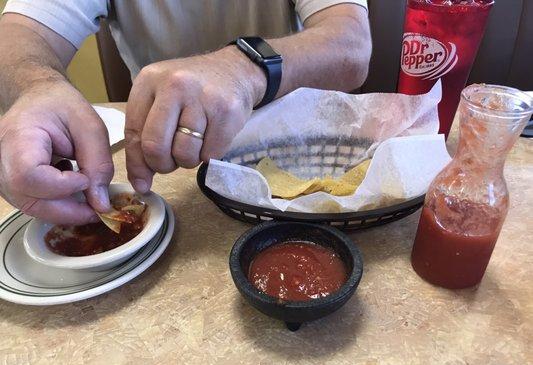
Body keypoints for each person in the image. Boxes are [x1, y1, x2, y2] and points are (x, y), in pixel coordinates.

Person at [0, 0, 371, 224]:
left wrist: (244, 68)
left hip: (293, 162)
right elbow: (17, 33)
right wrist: (36, 87)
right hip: (161, 168)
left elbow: (351, 45)